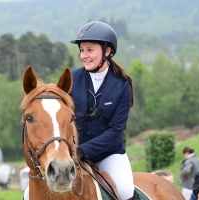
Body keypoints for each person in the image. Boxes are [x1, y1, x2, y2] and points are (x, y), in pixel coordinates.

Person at [70, 21, 136, 200]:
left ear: (107, 51)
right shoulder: (71, 79)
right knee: (30, 193)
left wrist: (83, 151)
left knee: (124, 191)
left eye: (90, 50)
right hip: (71, 153)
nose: (84, 56)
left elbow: (115, 131)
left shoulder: (122, 85)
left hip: (108, 154)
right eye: (82, 50)